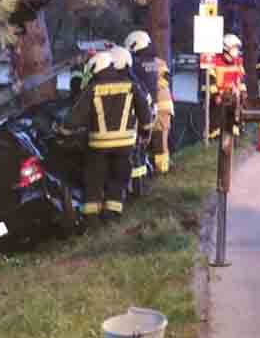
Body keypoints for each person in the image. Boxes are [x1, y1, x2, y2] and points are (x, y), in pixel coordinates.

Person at [60, 50, 152, 227]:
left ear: (96, 67)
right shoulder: (130, 85)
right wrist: (145, 131)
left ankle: (92, 218)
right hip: (125, 144)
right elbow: (144, 111)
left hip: (98, 145)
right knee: (118, 177)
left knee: (94, 178)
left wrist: (63, 131)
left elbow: (75, 117)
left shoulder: (92, 89)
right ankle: (112, 214)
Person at [125, 30, 175, 175]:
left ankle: (153, 172)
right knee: (161, 142)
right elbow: (165, 79)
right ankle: (162, 170)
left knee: (143, 140)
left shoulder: (138, 63)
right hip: (165, 106)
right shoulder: (158, 62)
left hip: (151, 106)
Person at [109, 45, 150, 191]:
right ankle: (136, 188)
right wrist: (145, 129)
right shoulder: (134, 82)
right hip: (130, 131)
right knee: (135, 160)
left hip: (105, 133)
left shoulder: (100, 82)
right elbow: (146, 103)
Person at [207, 33, 246, 141]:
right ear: (226, 48)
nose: (237, 51)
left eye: (237, 49)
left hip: (233, 94)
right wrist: (215, 95)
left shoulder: (238, 61)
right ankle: (215, 137)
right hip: (219, 95)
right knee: (216, 116)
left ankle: (236, 132)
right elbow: (211, 80)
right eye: (234, 48)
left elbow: (241, 79)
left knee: (238, 110)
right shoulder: (215, 61)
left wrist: (243, 92)